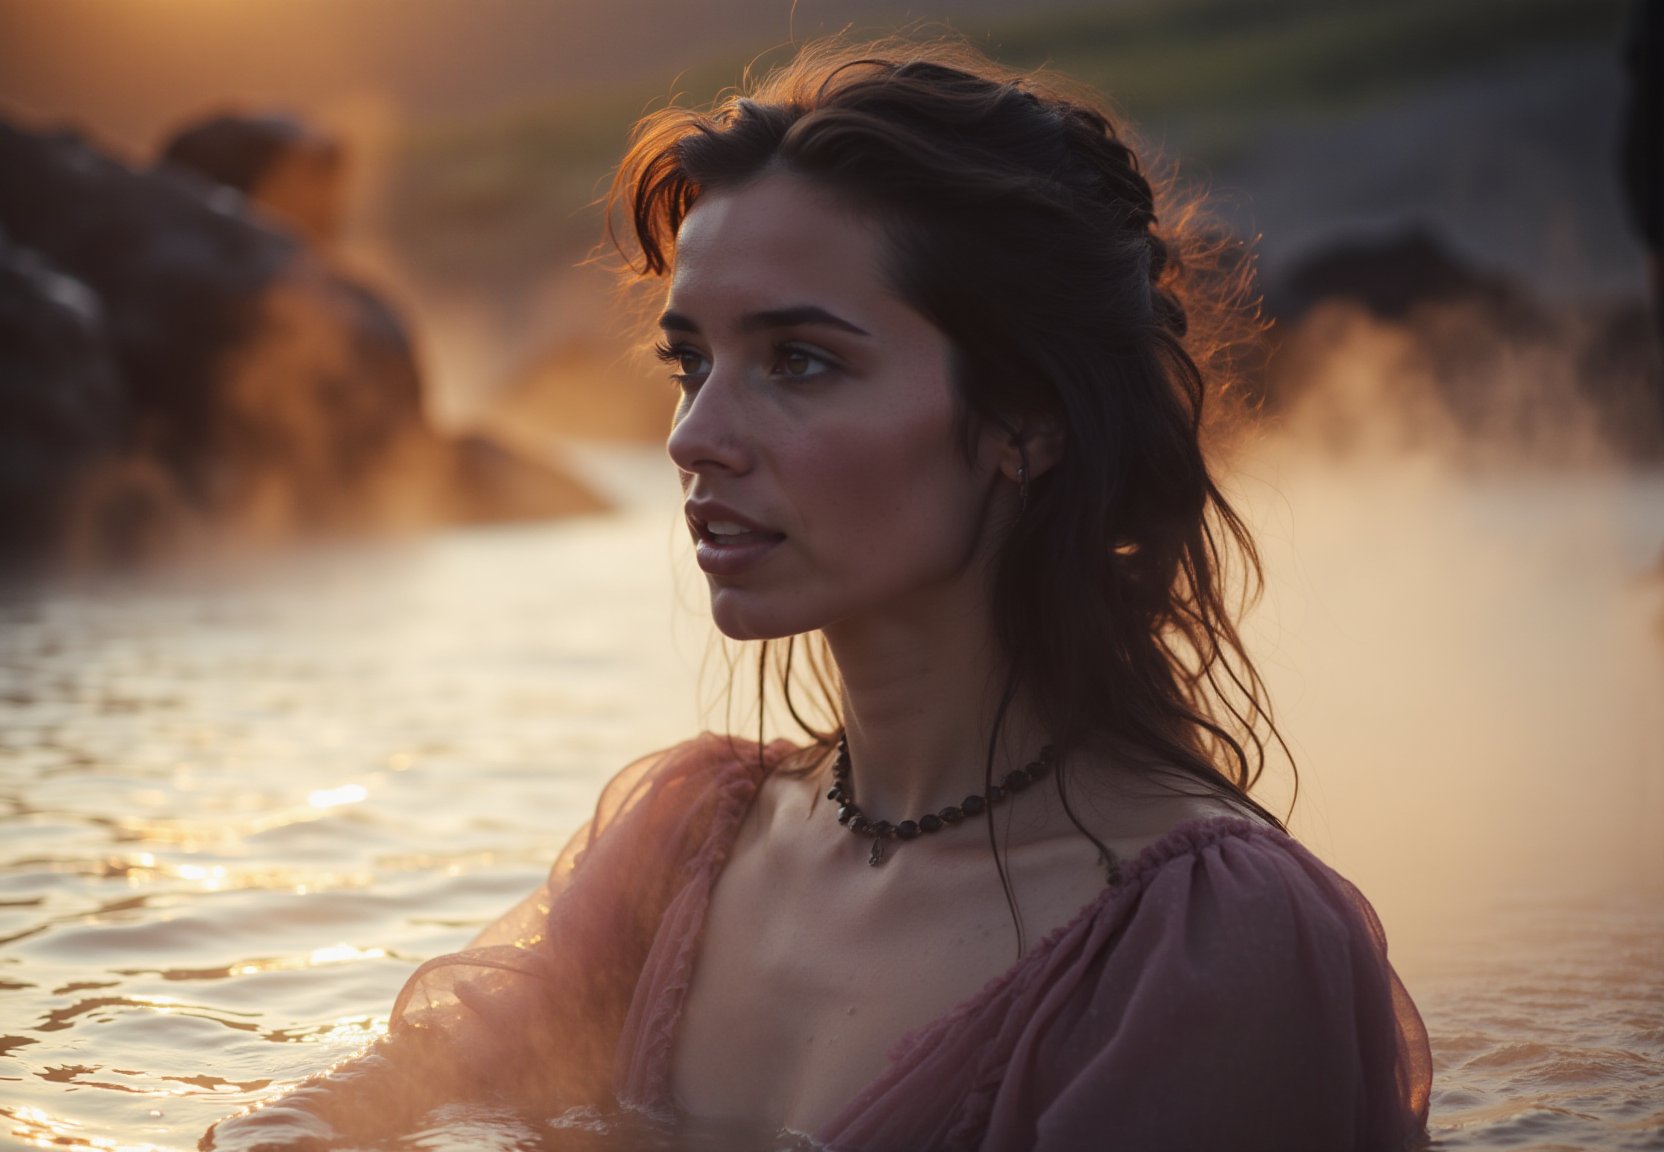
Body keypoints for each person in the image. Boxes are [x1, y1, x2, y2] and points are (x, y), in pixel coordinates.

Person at [204, 36, 1431, 1152]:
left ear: (1026, 421)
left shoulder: (1205, 946)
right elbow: (422, 1077)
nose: (693, 438)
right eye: (690, 362)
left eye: (798, 361)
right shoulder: (692, 842)